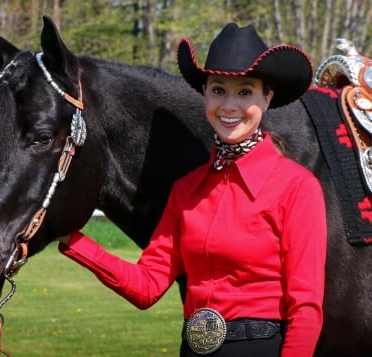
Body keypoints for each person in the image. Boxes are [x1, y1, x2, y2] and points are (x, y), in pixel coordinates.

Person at [57, 23, 327, 357]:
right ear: (205, 94)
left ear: (266, 98)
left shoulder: (297, 187)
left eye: (244, 92)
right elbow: (147, 286)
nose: (229, 105)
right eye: (218, 90)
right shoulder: (186, 191)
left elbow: (306, 309)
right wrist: (73, 239)